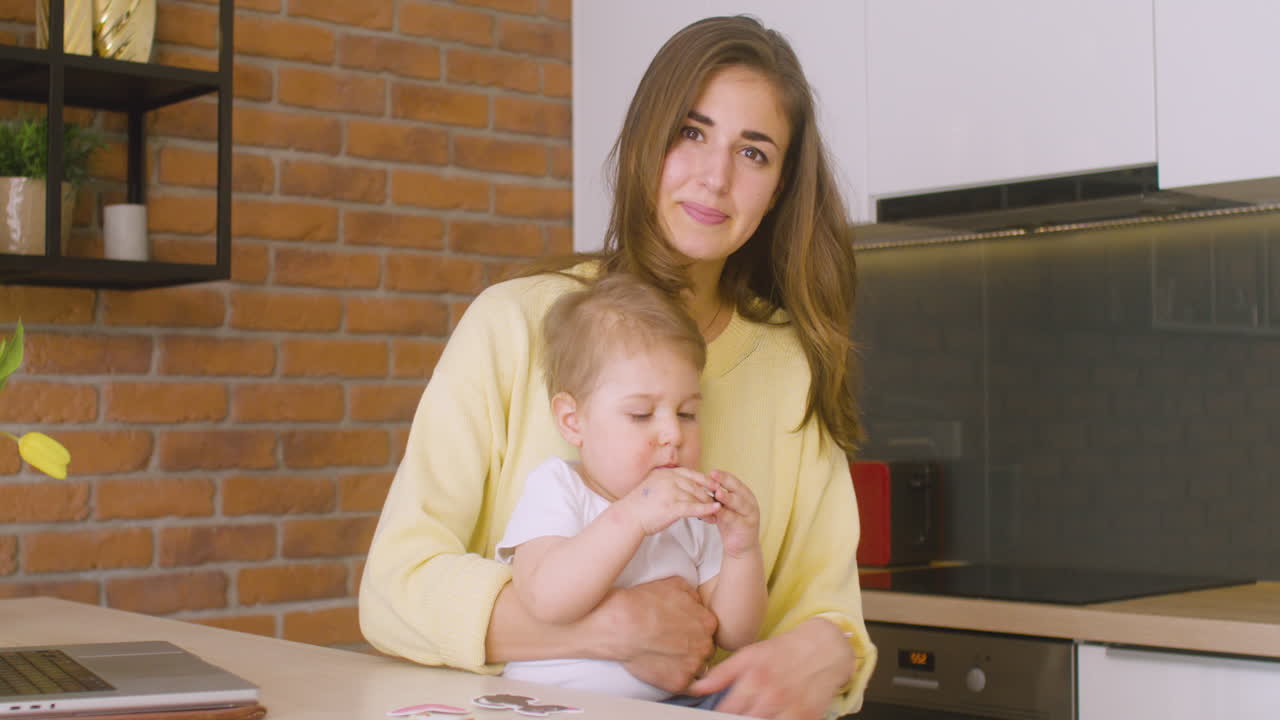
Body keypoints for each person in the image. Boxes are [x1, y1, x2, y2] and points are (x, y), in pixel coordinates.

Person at [360, 14, 878, 719]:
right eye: (691, 133)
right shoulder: (513, 324)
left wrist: (831, 652)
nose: (716, 177)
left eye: (754, 153)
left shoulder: (793, 367)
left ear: (781, 187)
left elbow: (828, 611)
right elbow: (394, 592)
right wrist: (613, 629)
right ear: (644, 139)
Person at [496, 274, 766, 708]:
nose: (671, 434)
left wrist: (741, 551)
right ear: (572, 421)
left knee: (753, 695)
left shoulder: (692, 511)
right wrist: (632, 516)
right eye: (641, 414)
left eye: (687, 413)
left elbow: (735, 633)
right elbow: (546, 599)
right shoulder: (559, 486)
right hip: (555, 705)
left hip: (672, 704)